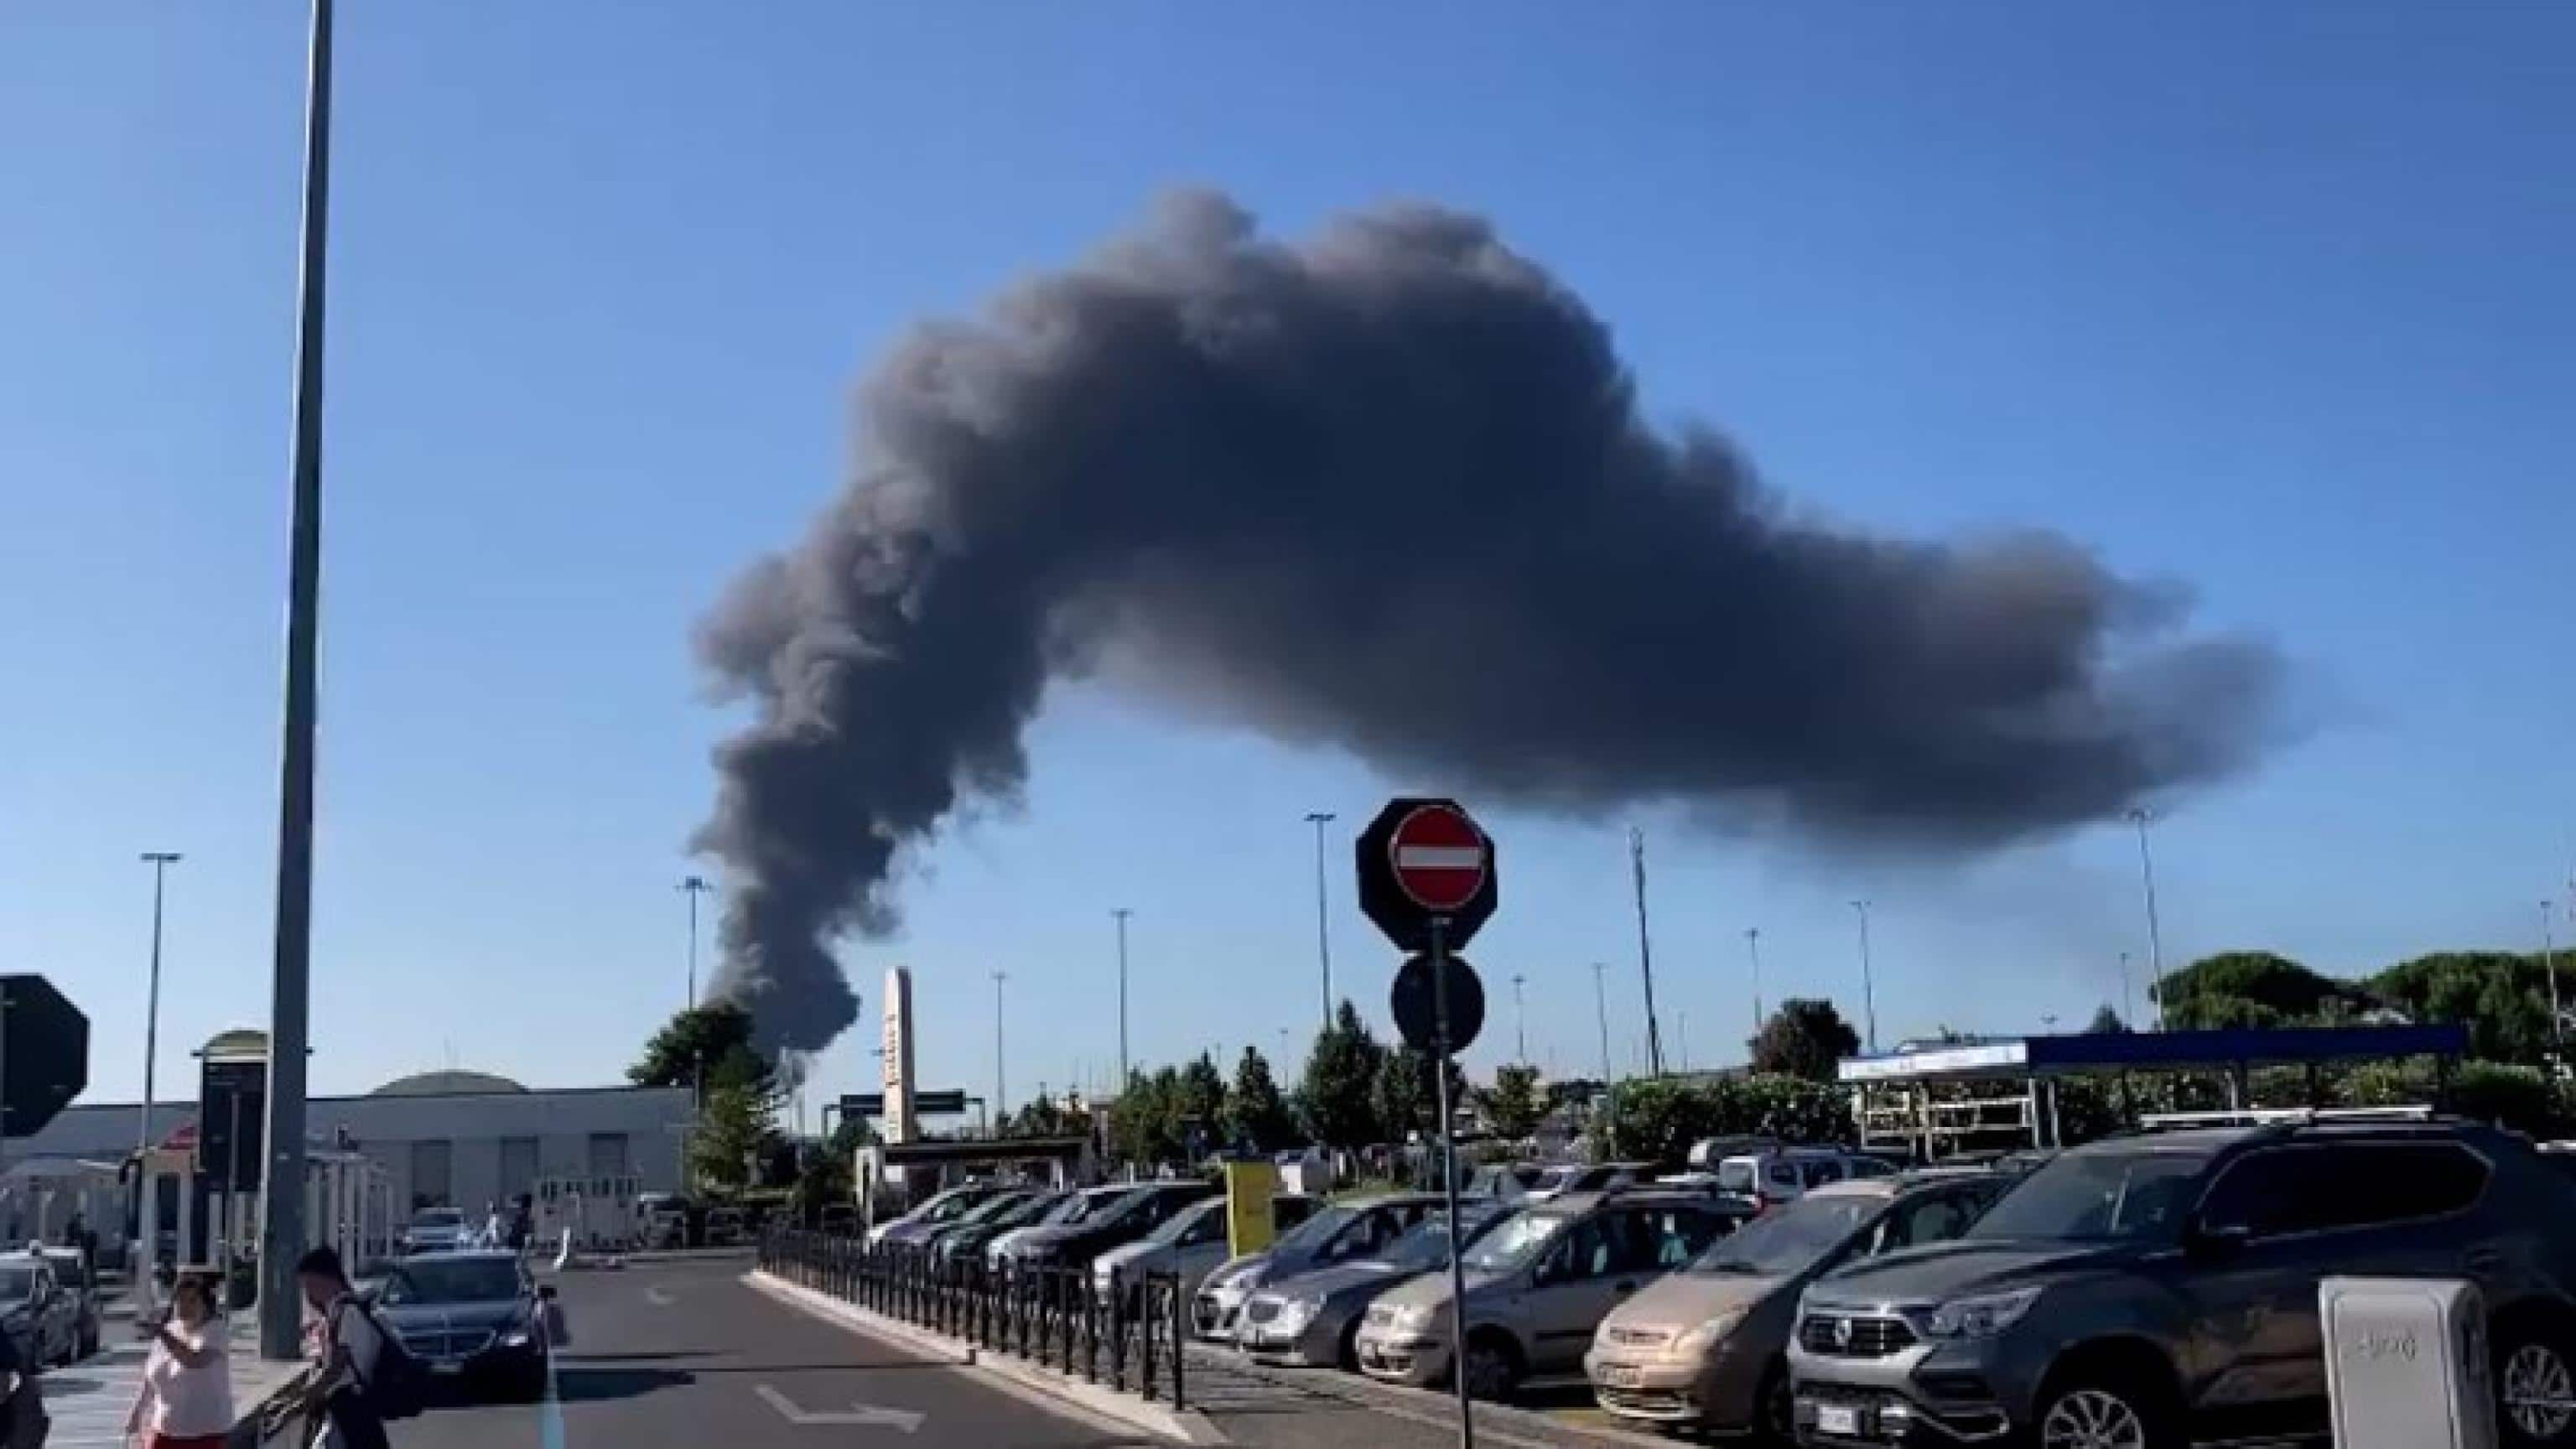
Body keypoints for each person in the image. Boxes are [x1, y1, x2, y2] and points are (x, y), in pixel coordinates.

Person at [124, 1272, 232, 1449]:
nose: (185, 1306)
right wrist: (136, 1413)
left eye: (192, 1301)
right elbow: (150, 1377)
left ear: (205, 1304)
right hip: (165, 1429)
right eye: (180, 1300)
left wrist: (162, 1334)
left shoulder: (215, 1331)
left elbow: (193, 1360)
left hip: (205, 1433)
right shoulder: (169, 1330)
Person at [294, 1248, 387, 1449]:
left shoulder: (349, 1311)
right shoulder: (338, 1311)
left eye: (309, 1285)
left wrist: (314, 1391)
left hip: (352, 1405)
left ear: (324, 1279)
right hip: (346, 1404)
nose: (309, 1295)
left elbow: (339, 1362)